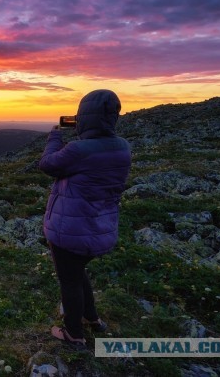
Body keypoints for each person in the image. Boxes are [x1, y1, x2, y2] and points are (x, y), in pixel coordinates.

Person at [39, 89, 131, 350]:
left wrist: (55, 136)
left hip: (70, 230)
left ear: (84, 117)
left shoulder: (79, 149)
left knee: (69, 281)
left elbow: (47, 165)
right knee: (78, 273)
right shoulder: (123, 147)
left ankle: (74, 334)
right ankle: (93, 319)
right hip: (100, 228)